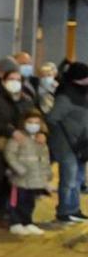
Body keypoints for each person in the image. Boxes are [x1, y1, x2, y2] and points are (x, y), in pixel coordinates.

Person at [0, 58, 35, 225]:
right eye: (11, 79)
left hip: (15, 147)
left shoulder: (23, 99)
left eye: (18, 80)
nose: (15, 83)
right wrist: (10, 131)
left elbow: (32, 117)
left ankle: (2, 212)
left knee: (7, 181)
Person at [43, 62, 88, 223]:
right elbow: (53, 118)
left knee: (78, 177)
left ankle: (74, 209)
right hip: (66, 144)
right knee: (69, 178)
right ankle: (64, 210)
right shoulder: (66, 96)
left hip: (81, 144)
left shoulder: (82, 94)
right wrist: (68, 134)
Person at [4, 110, 54, 236]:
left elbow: (44, 157)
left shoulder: (40, 139)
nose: (33, 125)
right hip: (20, 177)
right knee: (17, 201)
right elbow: (10, 154)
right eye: (30, 122)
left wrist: (47, 173)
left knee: (29, 202)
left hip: (34, 178)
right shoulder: (18, 138)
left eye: (37, 122)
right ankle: (15, 223)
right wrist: (19, 169)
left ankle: (27, 222)